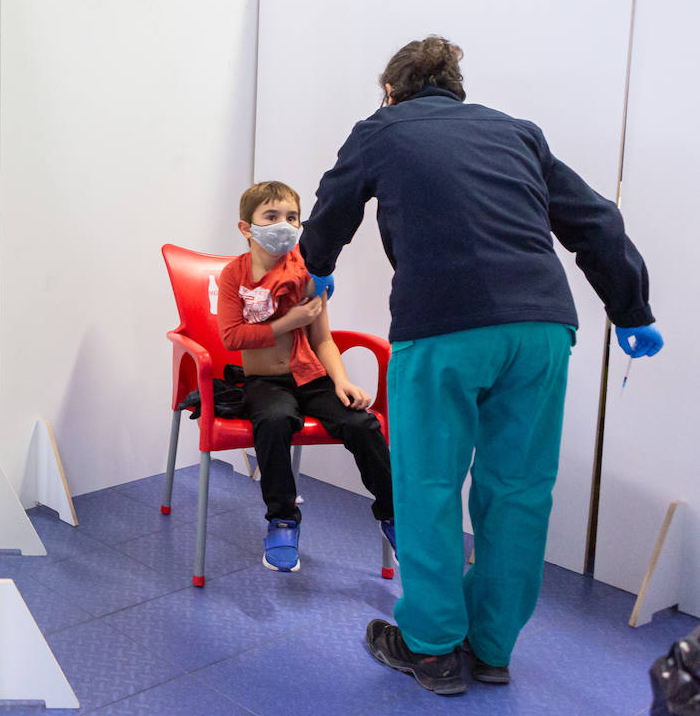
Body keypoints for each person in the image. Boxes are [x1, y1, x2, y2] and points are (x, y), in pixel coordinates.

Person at [301, 36, 663, 695]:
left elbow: (333, 204)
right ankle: (492, 648)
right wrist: (632, 309)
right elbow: (596, 221)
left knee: (429, 486)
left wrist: (317, 269)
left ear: (390, 89)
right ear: (458, 88)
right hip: (541, 330)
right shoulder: (517, 133)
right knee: (520, 491)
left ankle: (432, 649)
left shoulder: (381, 128)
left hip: (441, 328)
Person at [217, 181, 396, 572]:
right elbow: (231, 336)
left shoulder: (308, 272)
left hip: (310, 376)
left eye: (291, 217)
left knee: (362, 424)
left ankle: (394, 514)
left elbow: (324, 339)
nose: (283, 224)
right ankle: (282, 520)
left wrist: (342, 381)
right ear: (246, 227)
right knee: (275, 421)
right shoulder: (235, 276)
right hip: (265, 380)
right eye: (271, 217)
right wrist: (289, 321)